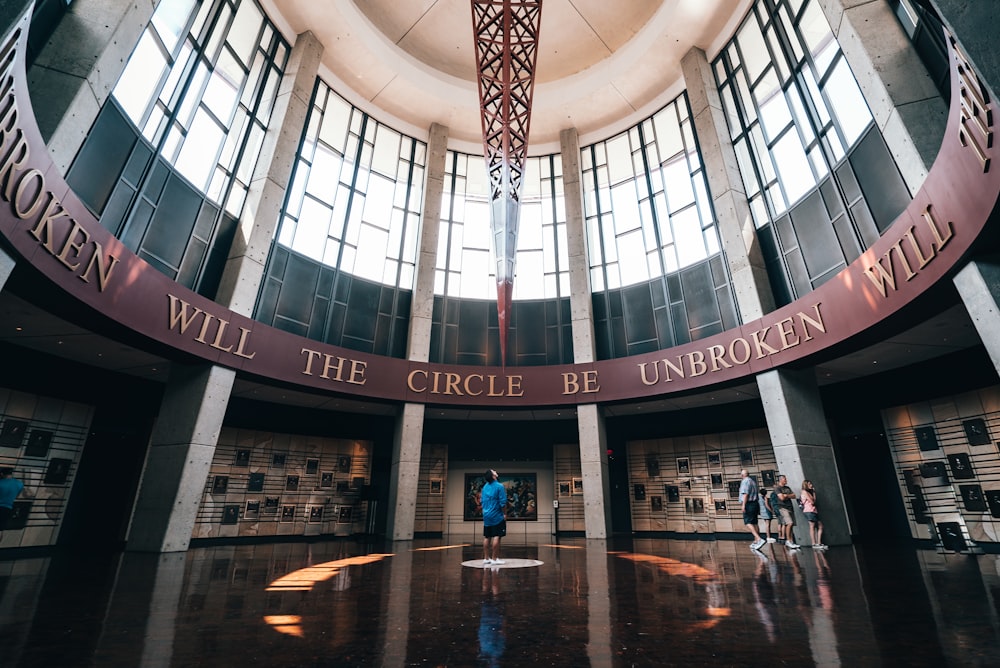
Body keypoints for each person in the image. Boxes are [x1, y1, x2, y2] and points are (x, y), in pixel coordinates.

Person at [481, 468, 508, 566]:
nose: (495, 471)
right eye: (493, 471)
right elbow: (503, 502)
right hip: (497, 515)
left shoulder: (484, 487)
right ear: (493, 476)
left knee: (487, 536)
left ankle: (486, 558)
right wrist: (504, 514)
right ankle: (494, 559)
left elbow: (482, 501)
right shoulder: (499, 486)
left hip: (486, 515)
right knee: (497, 536)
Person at [739, 469, 766, 551]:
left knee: (747, 522)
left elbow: (746, 493)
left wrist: (743, 505)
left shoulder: (745, 481)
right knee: (754, 522)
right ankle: (756, 541)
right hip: (755, 503)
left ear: (742, 475)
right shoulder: (752, 481)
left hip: (749, 504)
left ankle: (758, 539)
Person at [774, 474, 800, 549]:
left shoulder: (787, 488)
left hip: (790, 507)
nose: (786, 481)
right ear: (781, 480)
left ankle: (791, 541)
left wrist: (786, 495)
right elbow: (781, 498)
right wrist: (787, 495)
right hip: (782, 507)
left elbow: (794, 496)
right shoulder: (777, 488)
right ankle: (788, 540)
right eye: (785, 479)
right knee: (789, 523)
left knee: (791, 525)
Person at [800, 479, 827, 549]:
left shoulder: (809, 492)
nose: (811, 485)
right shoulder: (804, 492)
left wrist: (813, 492)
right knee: (812, 526)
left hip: (813, 510)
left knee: (819, 526)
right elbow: (812, 502)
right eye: (809, 484)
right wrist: (813, 494)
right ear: (806, 485)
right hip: (809, 510)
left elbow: (814, 500)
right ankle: (814, 543)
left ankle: (818, 543)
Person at [0, 468, 25, 533]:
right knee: (1, 529)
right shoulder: (20, 484)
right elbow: (17, 496)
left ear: (1, 474)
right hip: (8, 509)